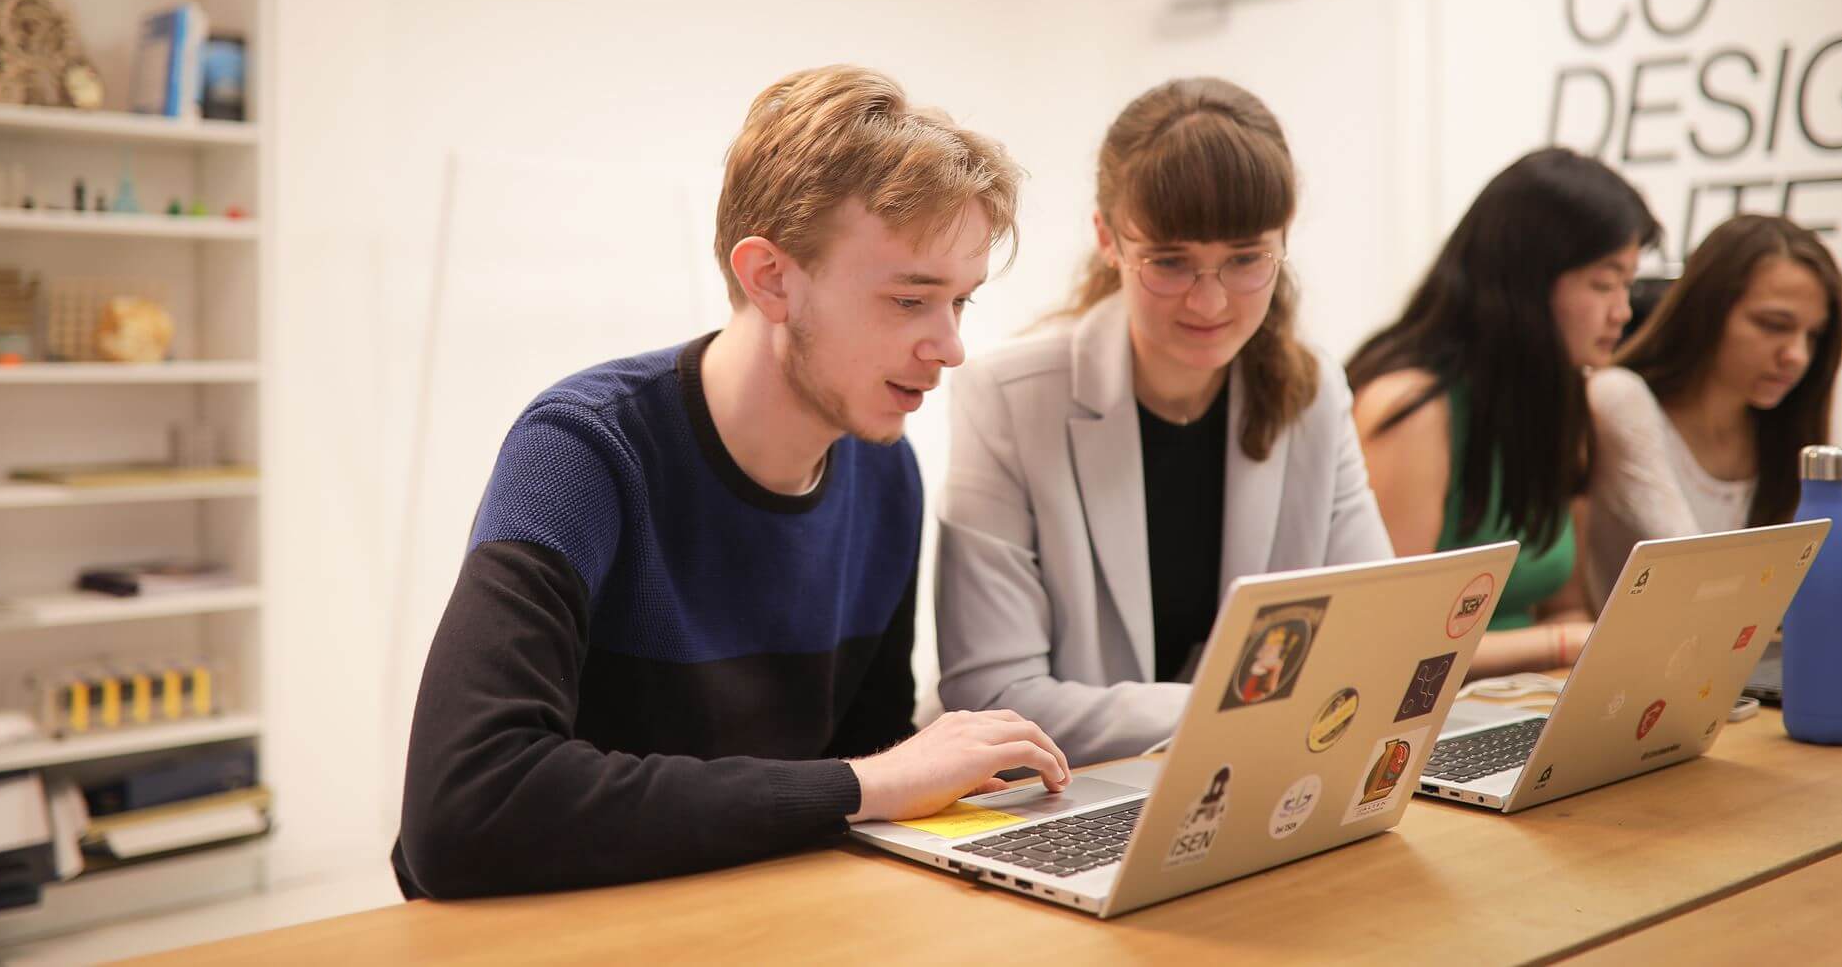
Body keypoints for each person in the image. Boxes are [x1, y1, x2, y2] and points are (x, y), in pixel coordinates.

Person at [392, 65, 1069, 899]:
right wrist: (869, 784)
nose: (951, 345)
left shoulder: (885, 471)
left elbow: (859, 775)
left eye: (959, 303)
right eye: (909, 300)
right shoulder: (581, 451)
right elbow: (463, 809)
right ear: (771, 277)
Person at [936, 78, 1391, 767]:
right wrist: (1248, 708)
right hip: (1066, 797)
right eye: (1170, 262)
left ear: (1283, 239)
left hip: (1256, 784)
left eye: (1245, 260)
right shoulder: (1008, 398)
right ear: (1107, 240)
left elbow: (1376, 630)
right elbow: (994, 695)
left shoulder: (1313, 390)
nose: (1209, 301)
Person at [1348, 148, 1657, 676]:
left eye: (1627, 285)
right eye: (1604, 284)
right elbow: (1391, 652)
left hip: (1520, 702)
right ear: (1527, 283)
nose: (1622, 312)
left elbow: (1563, 606)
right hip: (1422, 724)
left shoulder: (1562, 400)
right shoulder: (1412, 409)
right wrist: (1567, 644)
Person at [1583, 214, 1842, 608]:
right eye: (1773, 325)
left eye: (1814, 336)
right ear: (1705, 310)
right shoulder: (1621, 397)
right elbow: (1701, 575)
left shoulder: (1787, 429)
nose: (1796, 356)